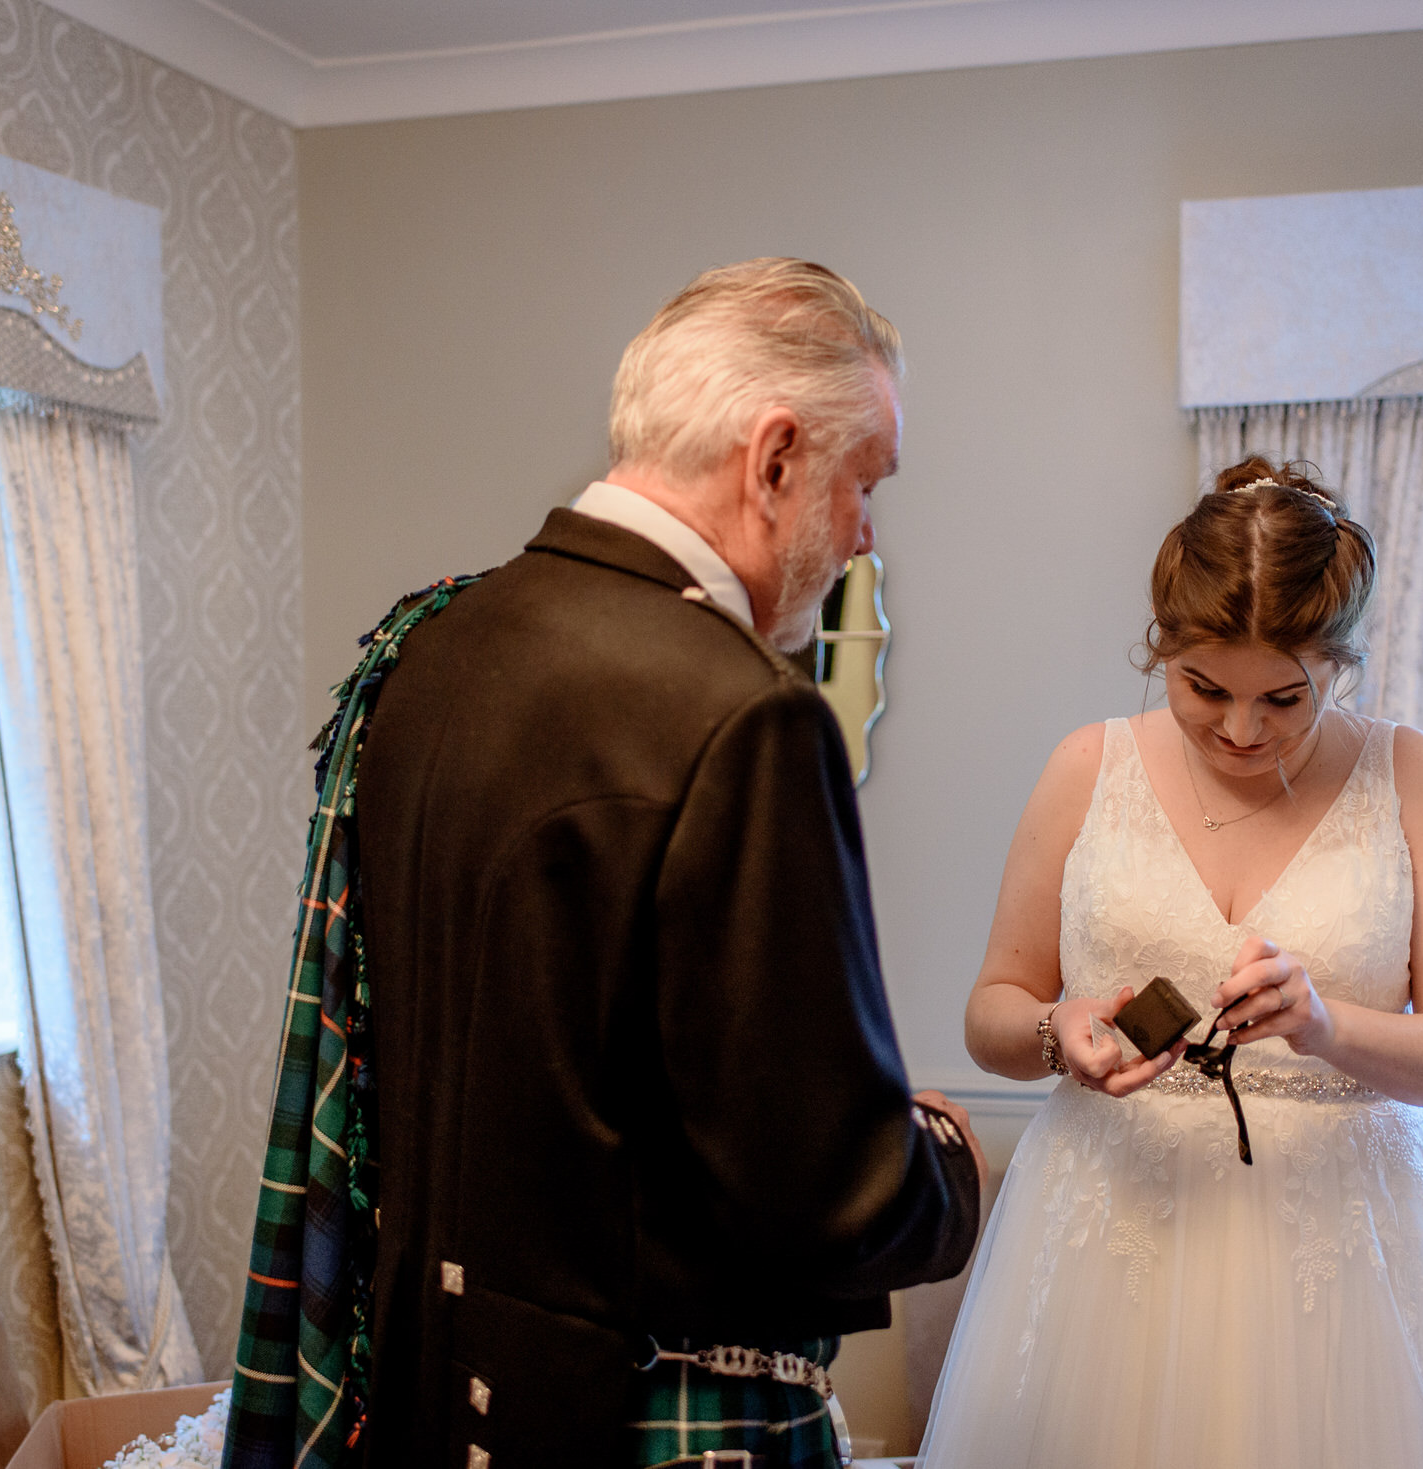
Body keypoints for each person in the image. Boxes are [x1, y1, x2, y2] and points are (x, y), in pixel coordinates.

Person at [352, 259, 985, 1469]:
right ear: (775, 457)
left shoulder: (436, 652)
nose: (862, 533)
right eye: (865, 484)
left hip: (447, 1392)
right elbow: (823, 1189)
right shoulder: (743, 712)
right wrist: (941, 1160)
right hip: (653, 1415)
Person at [916, 458, 1423, 1468]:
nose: (1239, 728)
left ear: (1339, 661)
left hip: (1350, 1261)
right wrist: (1060, 1030)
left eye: (1283, 696)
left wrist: (1326, 1024)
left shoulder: (1410, 774)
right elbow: (991, 1012)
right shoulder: (1084, 767)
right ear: (1161, 646)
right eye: (1202, 688)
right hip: (1108, 1236)